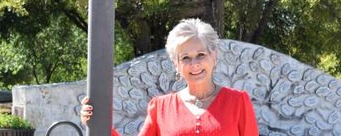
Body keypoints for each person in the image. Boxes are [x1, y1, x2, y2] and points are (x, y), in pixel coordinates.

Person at [80, 18, 259, 136]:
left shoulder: (238, 102)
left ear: (214, 56)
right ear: (176, 64)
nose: (194, 63)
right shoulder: (160, 108)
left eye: (201, 55)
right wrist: (100, 123)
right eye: (185, 58)